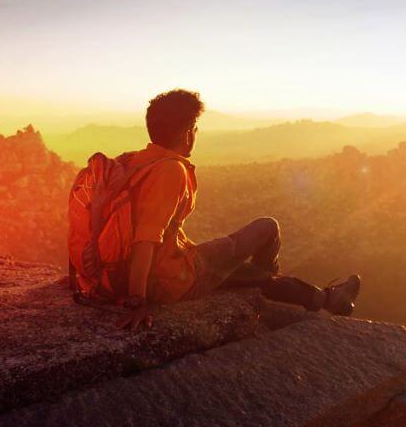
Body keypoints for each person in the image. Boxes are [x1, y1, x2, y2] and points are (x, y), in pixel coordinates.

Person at [116, 88, 360, 331]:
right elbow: (145, 239)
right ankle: (275, 293)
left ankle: (324, 298)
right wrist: (138, 300)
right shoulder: (170, 170)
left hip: (120, 276)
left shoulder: (130, 162)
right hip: (170, 280)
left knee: (233, 268)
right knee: (267, 228)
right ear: (188, 133)